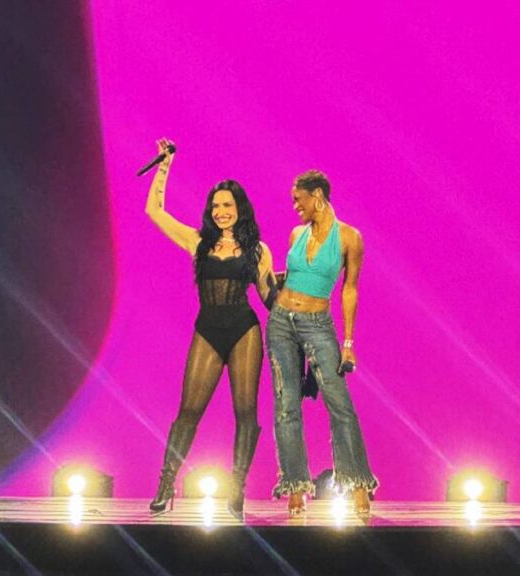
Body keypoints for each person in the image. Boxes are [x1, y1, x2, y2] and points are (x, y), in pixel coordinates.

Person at [144, 139, 275, 519]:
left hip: (244, 330)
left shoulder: (258, 250)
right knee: (189, 410)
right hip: (208, 329)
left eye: (227, 205)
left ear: (240, 209)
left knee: (245, 411)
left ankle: (237, 489)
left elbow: (269, 297)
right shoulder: (197, 241)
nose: (220, 212)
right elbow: (154, 210)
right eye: (215, 206)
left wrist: (302, 301)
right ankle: (166, 483)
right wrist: (165, 165)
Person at [267, 169, 378, 518]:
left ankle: (357, 481)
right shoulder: (296, 234)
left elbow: (350, 289)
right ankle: (296, 486)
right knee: (286, 405)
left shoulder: (349, 238)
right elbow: (292, 276)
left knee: (339, 404)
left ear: (316, 195)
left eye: (298, 200)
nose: (295, 206)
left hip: (318, 324)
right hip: (281, 322)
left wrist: (348, 341)